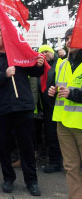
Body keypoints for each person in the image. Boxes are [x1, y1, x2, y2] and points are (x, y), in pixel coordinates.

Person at [0, 27, 44, 196]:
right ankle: (8, 178)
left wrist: (39, 64)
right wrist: (4, 74)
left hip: (23, 107)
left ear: (4, 36)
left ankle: (32, 181)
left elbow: (34, 71)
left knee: (27, 146)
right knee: (4, 147)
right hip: (1, 109)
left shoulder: (17, 53)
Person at [48, 27, 82, 199]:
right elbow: (55, 92)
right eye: (67, 38)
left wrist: (73, 94)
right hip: (63, 123)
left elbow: (72, 92)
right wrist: (52, 92)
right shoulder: (62, 63)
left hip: (80, 123)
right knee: (70, 166)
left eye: (73, 38)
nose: (69, 41)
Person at [37, 45, 63, 173]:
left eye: (46, 51)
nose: (44, 54)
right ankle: (55, 163)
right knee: (51, 136)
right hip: (46, 110)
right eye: (41, 52)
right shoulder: (39, 68)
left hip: (61, 107)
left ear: (52, 52)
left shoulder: (60, 63)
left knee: (65, 137)